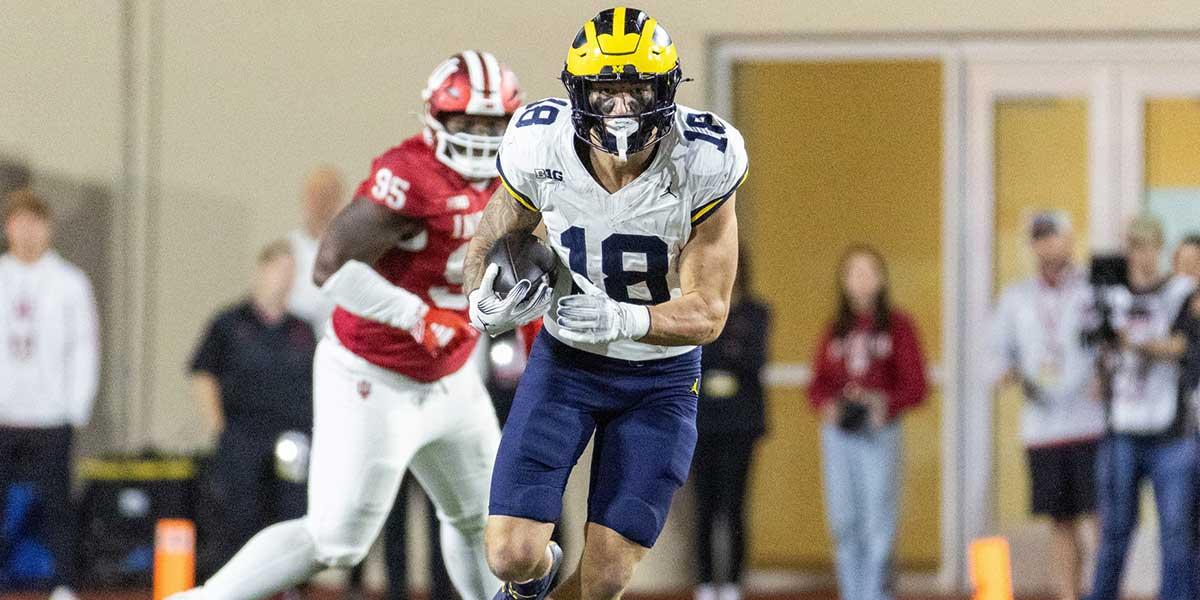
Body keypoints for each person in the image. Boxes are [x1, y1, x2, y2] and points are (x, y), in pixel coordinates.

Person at [169, 50, 522, 600]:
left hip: (451, 378)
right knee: (336, 541)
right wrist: (416, 314)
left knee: (482, 520)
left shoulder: (516, 172)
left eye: (489, 123)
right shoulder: (410, 175)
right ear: (435, 118)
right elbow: (330, 267)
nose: (479, 135)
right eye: (466, 122)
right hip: (374, 377)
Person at [462, 8, 748, 599]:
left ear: (665, 92)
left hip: (659, 379)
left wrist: (627, 318)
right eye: (606, 92)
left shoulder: (704, 158)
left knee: (607, 574)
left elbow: (711, 311)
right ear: (578, 94)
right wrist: (479, 296)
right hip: (567, 364)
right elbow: (496, 226)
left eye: (636, 90)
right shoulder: (541, 143)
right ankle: (529, 586)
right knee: (511, 555)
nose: (621, 109)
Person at [988, 212, 1103, 600]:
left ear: (1071, 240)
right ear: (1032, 245)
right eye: (1041, 238)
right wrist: (1010, 373)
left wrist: (1105, 374)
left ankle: (1104, 590)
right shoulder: (1016, 297)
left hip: (1090, 423)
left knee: (1101, 518)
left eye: (1056, 236)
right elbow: (995, 354)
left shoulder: (1093, 289)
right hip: (1043, 427)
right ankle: (1068, 594)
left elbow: (1113, 341)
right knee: (1061, 521)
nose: (1050, 245)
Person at [808, 245, 928, 600]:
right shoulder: (835, 329)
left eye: (869, 272)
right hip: (840, 434)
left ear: (881, 279)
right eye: (853, 273)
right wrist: (829, 406)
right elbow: (816, 384)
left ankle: (876, 593)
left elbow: (916, 385)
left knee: (878, 521)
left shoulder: (898, 326)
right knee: (844, 520)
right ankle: (853, 592)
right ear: (843, 281)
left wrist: (883, 404)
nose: (861, 282)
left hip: (879, 433)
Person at [189, 240, 316, 577]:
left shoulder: (303, 330)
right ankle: (236, 582)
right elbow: (203, 374)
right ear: (261, 271)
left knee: (293, 512)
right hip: (243, 433)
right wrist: (218, 426)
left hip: (291, 437)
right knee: (240, 515)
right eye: (279, 269)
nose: (285, 279)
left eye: (292, 271)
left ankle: (287, 583)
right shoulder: (229, 324)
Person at [1088, 215, 1197, 600]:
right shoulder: (1111, 295)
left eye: (1150, 246)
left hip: (1170, 431)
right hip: (1124, 426)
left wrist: (1139, 344)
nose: (1143, 256)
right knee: (1115, 531)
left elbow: (1185, 343)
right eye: (1136, 247)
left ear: (1160, 249)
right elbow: (1095, 345)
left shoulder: (1180, 293)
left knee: (1177, 533)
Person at [0, 189, 99, 600]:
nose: (27, 233)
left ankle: (63, 581)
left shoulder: (69, 282)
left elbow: (84, 345)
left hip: (50, 414)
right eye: (19, 223)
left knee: (58, 503)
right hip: (4, 412)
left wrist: (76, 405)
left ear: (49, 229)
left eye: (35, 224)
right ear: (8, 228)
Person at [692, 250, 769, 600]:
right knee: (704, 506)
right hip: (702, 421)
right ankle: (707, 583)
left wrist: (722, 351)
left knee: (733, 506)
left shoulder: (756, 312)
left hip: (740, 424)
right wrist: (726, 352)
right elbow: (696, 357)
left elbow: (752, 360)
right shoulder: (695, 310)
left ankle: (734, 583)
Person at [288, 166, 347, 335]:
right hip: (294, 349)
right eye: (315, 194)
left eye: (328, 195)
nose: (321, 202)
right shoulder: (288, 248)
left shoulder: (355, 252)